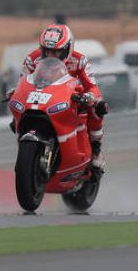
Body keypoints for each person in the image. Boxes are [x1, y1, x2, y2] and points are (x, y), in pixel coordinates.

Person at [20, 23, 109, 172]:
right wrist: (14, 92)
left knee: (98, 108)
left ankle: (96, 151)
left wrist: (91, 96)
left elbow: (92, 86)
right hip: (42, 98)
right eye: (47, 51)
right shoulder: (32, 60)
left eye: (56, 52)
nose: (51, 56)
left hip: (72, 99)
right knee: (16, 113)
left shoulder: (80, 60)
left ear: (68, 48)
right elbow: (22, 82)